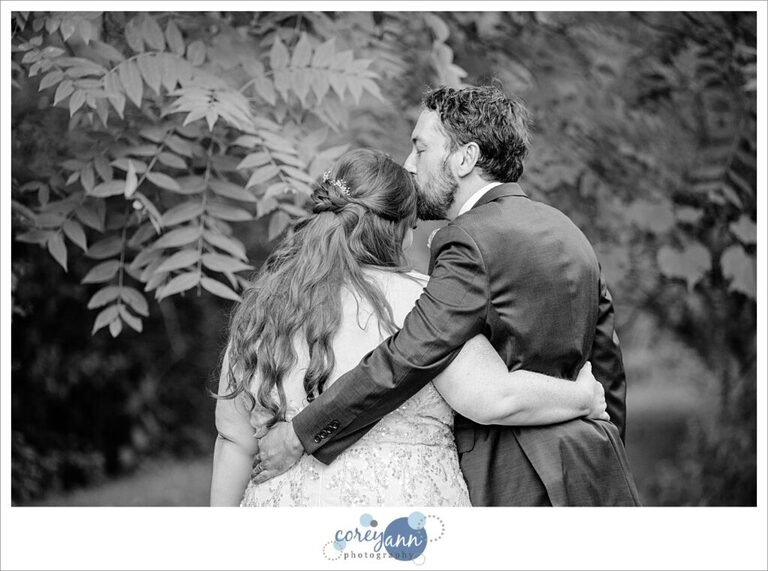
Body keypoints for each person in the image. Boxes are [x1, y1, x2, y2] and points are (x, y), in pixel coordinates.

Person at [252, 85, 641, 506]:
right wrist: (607, 446)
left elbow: (411, 353)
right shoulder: (569, 231)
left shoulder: (465, 238)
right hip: (595, 465)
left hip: (516, 477)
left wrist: (301, 433)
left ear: (464, 158)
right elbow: (607, 368)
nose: (409, 165)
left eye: (420, 148)